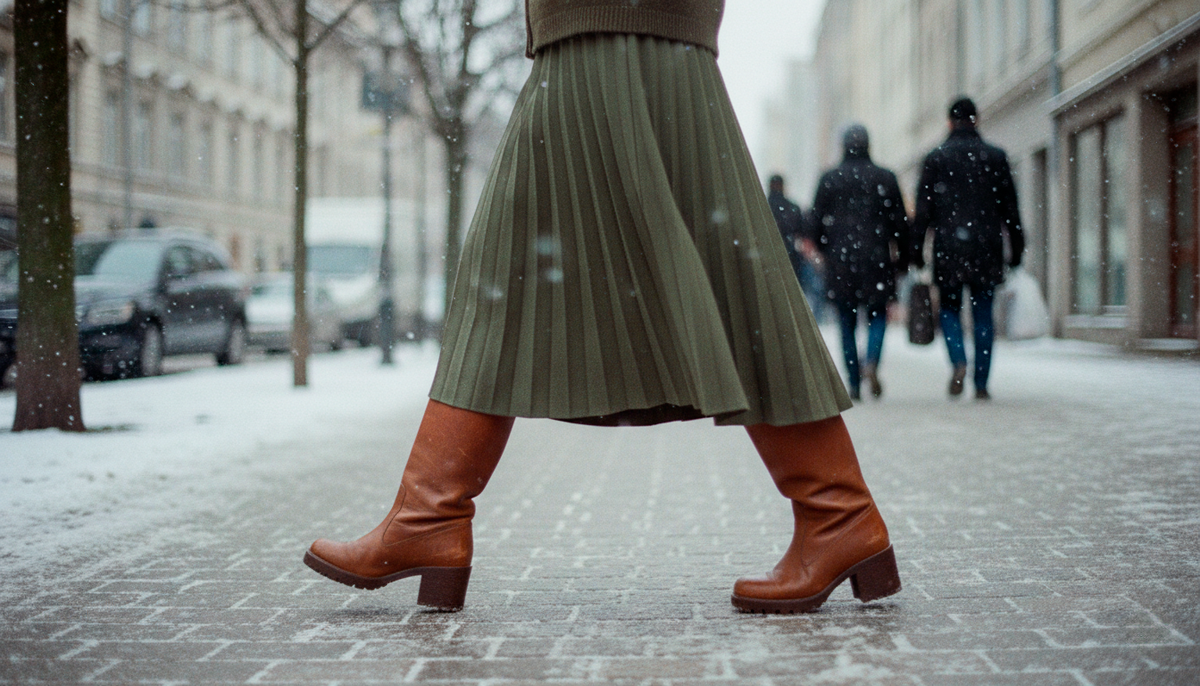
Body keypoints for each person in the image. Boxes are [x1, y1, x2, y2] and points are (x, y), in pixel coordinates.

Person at [303, 0, 901, 615]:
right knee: (720, 273)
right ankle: (838, 511)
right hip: (635, 38)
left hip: (606, 34)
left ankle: (428, 515)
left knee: (511, 271)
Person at [911, 97, 1024, 400]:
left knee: (949, 309)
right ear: (977, 120)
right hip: (987, 246)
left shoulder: (935, 158)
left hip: (948, 247)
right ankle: (982, 382)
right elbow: (1011, 210)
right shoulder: (996, 157)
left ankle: (959, 360)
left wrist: (915, 250)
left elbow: (923, 212)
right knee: (983, 314)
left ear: (949, 122)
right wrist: (1017, 249)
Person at [812, 125, 910, 400]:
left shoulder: (829, 178)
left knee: (846, 321)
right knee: (878, 315)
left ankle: (854, 382)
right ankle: (872, 362)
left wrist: (827, 249)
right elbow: (900, 223)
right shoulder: (885, 177)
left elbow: (815, 222)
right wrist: (902, 258)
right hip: (877, 258)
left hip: (841, 261)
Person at [767, 174, 826, 323]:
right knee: (792, 293)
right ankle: (790, 321)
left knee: (769, 294)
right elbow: (804, 235)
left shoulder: (761, 208)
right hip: (791, 257)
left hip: (766, 258)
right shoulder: (792, 207)